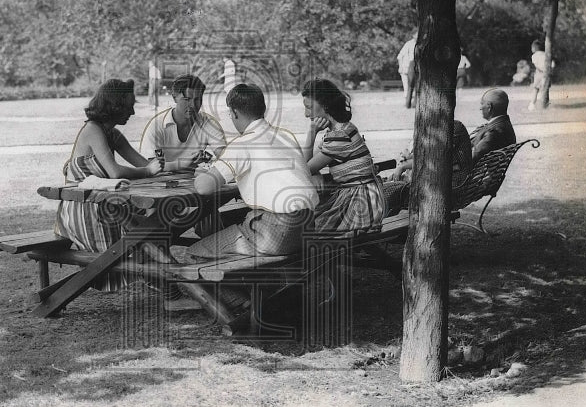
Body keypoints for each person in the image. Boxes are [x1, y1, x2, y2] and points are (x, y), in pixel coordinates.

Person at [173, 83, 318, 271]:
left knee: (193, 254)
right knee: (235, 227)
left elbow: (203, 187)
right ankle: (254, 295)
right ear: (263, 109)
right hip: (308, 226)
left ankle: (240, 301)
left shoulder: (243, 143)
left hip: (275, 231)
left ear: (233, 113)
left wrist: (204, 172)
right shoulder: (286, 136)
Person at [54, 79, 164, 292]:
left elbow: (144, 163)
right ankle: (159, 278)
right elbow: (116, 172)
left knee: (158, 217)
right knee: (149, 227)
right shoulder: (93, 130)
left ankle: (157, 276)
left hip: (105, 204)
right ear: (115, 106)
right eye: (129, 105)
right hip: (84, 209)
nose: (132, 112)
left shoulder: (111, 132)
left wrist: (175, 165)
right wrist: (148, 172)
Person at [300, 79, 385, 232]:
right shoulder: (346, 128)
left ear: (325, 106)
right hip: (365, 197)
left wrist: (311, 134)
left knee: (310, 227)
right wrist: (315, 173)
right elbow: (310, 166)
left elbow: (304, 170)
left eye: (309, 108)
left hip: (361, 205)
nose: (306, 114)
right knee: (314, 219)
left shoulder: (339, 137)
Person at [384, 119, 474, 215]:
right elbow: (425, 155)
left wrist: (403, 166)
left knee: (390, 192)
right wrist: (406, 158)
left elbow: (434, 159)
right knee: (388, 187)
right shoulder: (440, 127)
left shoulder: (453, 127)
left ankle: (382, 222)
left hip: (449, 187)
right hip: (438, 182)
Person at [140, 74, 227, 171]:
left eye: (197, 99)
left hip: (193, 179)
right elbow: (148, 166)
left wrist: (208, 161)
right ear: (174, 98)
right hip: (160, 181)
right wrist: (183, 164)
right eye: (187, 99)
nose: (193, 105)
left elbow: (225, 157)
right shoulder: (157, 126)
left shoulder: (208, 122)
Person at [469, 89, 516, 164]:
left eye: (482, 104)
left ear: (489, 106)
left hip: (475, 173)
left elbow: (471, 158)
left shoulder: (494, 132)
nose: (480, 108)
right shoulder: (503, 124)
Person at [527, 40, 553, 111]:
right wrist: (548, 70)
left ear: (534, 48)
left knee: (535, 89)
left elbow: (536, 65)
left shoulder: (534, 56)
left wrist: (542, 69)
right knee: (545, 90)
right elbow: (552, 64)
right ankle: (545, 105)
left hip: (539, 74)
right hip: (546, 74)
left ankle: (532, 104)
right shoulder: (546, 54)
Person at [397, 30, 418, 108]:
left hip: (416, 65)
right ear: (413, 35)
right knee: (408, 86)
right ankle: (407, 104)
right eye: (416, 34)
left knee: (417, 86)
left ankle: (414, 104)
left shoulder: (420, 44)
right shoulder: (408, 44)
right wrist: (401, 67)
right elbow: (399, 56)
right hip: (408, 68)